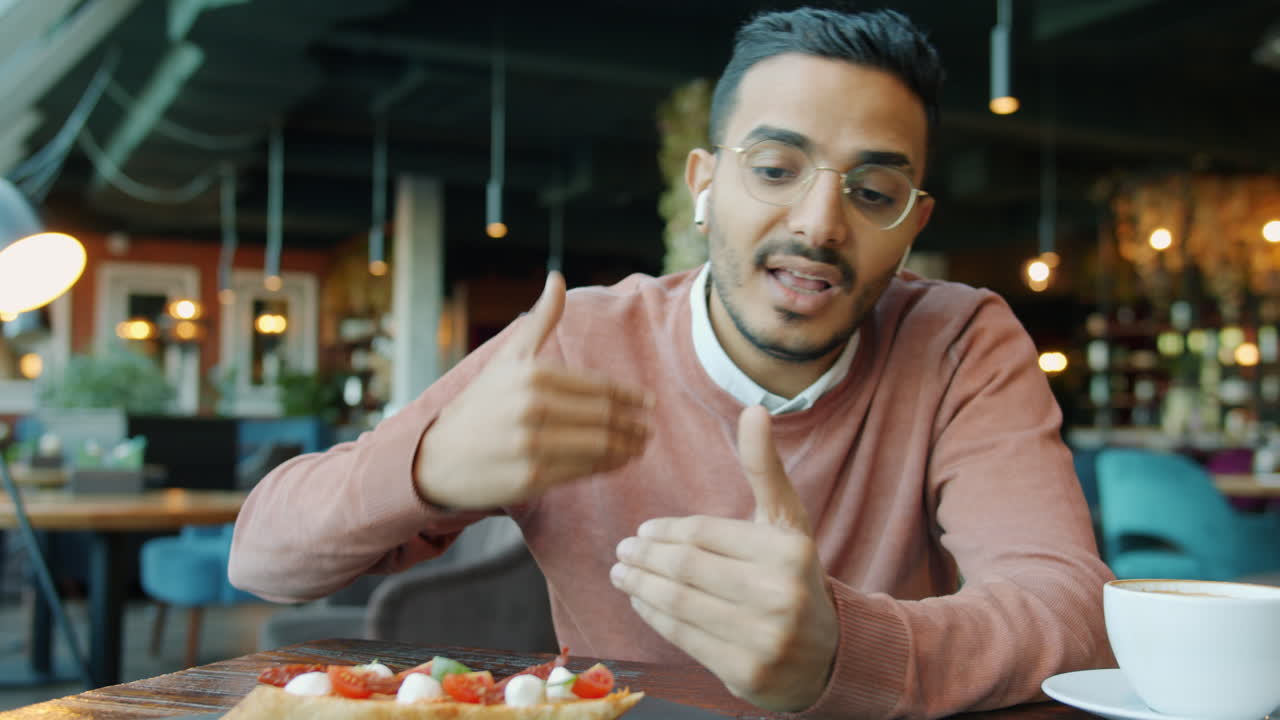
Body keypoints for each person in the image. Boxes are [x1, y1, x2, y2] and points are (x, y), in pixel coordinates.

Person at [229, 7, 1114, 718]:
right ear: (703, 182)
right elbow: (262, 558)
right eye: (774, 168)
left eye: (873, 192)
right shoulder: (575, 339)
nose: (818, 223)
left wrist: (845, 652)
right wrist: (426, 466)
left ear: (913, 224)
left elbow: (1072, 611)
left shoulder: (959, 339)